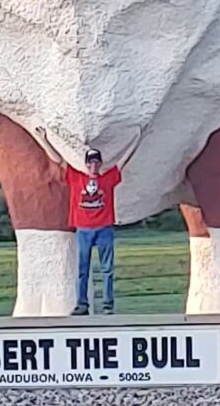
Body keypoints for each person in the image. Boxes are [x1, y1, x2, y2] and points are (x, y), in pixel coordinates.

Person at [33, 127, 140, 315]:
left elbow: (123, 161)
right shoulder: (76, 177)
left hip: (104, 228)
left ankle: (108, 305)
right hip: (83, 229)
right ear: (86, 164)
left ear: (100, 164)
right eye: (90, 163)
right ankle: (82, 304)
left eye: (96, 162)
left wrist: (136, 140)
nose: (93, 166)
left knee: (107, 269)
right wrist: (43, 139)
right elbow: (58, 160)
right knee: (83, 269)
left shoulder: (108, 178)